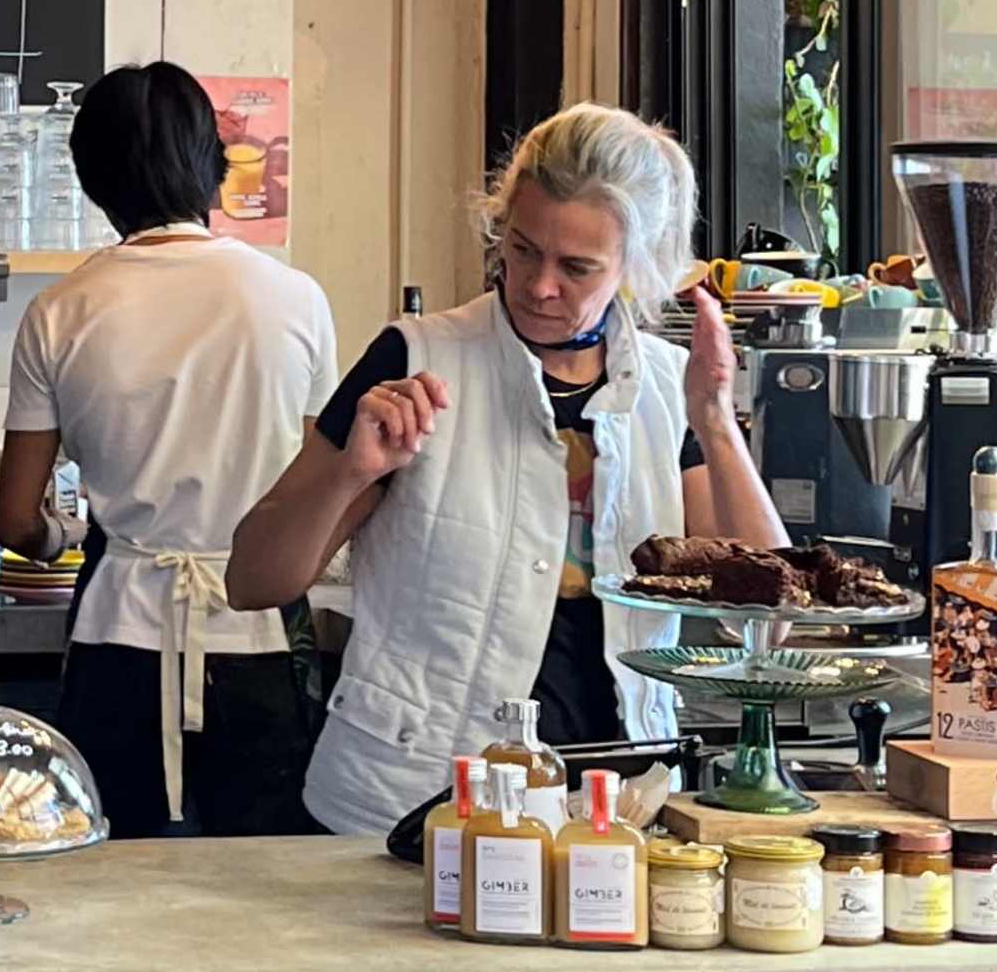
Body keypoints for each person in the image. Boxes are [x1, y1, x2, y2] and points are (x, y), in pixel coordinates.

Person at [225, 100, 785, 847]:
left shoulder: (667, 388)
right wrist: (348, 474)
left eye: (576, 268)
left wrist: (714, 418)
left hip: (620, 808)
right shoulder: (419, 359)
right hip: (412, 806)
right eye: (521, 250)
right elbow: (253, 581)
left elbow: (771, 618)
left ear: (635, 265)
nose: (538, 285)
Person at [0, 58, 337, 839]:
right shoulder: (296, 298)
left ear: (92, 181)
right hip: (261, 629)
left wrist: (70, 535)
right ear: (213, 167)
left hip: (119, 634)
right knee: (265, 882)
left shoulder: (60, 309)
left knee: (112, 876)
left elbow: (15, 522)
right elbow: (324, 480)